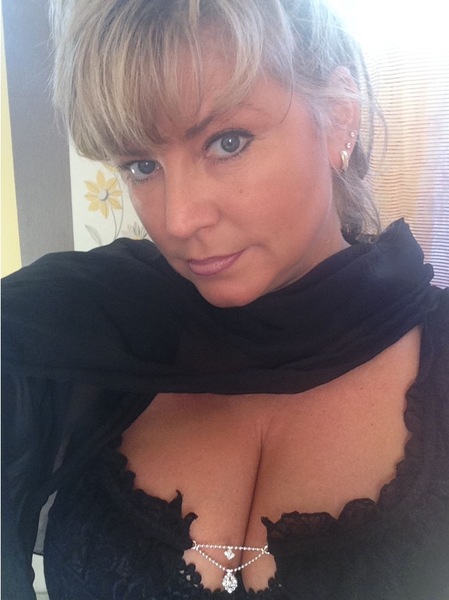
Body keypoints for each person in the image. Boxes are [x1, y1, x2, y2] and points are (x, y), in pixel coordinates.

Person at [2, 0, 448, 598]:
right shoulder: (89, 327)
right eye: (141, 165)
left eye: (228, 142)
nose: (178, 220)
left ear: (340, 118)